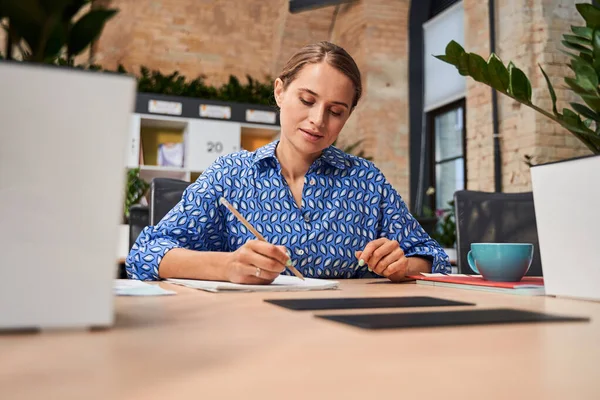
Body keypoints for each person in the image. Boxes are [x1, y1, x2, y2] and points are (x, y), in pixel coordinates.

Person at [126, 41, 451, 283]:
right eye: (307, 100)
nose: (317, 120)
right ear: (280, 92)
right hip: (251, 338)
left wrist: (401, 266)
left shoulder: (365, 180)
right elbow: (146, 254)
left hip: (347, 339)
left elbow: (432, 257)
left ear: (348, 115)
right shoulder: (231, 175)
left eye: (336, 111)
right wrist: (227, 267)